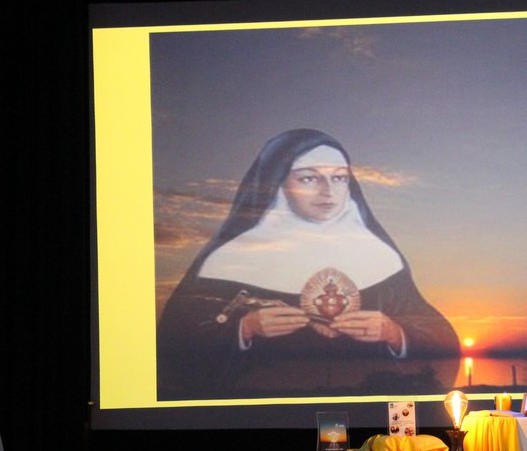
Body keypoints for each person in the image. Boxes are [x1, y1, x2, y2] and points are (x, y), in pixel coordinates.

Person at [156, 129, 459, 399]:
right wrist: (244, 328)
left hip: (364, 412)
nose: (328, 191)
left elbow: (438, 337)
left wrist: (395, 332)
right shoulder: (229, 260)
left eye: (339, 177)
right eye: (309, 178)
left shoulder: (379, 256)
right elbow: (175, 344)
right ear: (279, 184)